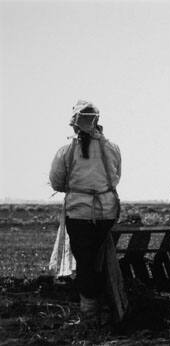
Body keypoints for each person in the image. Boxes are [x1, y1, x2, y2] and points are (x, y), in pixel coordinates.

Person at [49, 100, 122, 323]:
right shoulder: (112, 148)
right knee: (102, 260)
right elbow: (116, 177)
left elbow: (56, 182)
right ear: (97, 121)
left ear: (74, 125)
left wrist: (77, 190)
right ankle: (109, 308)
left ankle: (90, 315)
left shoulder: (66, 151)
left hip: (78, 215)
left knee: (86, 263)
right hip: (107, 213)